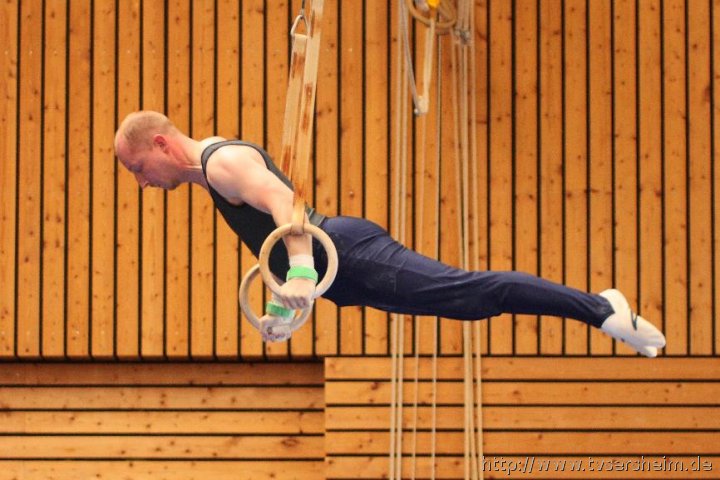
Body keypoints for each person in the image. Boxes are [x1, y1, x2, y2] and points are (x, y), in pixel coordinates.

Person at [114, 111, 666, 355]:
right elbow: (274, 236)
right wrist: (284, 306)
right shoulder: (212, 171)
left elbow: (287, 204)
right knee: (470, 304)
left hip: (349, 252)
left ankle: (604, 310)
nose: (142, 183)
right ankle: (599, 310)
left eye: (138, 169)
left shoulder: (221, 163)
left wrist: (302, 271)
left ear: (160, 144)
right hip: (344, 274)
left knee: (476, 292)